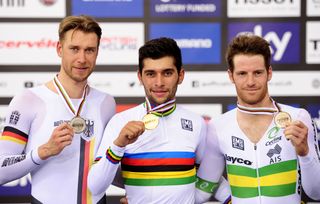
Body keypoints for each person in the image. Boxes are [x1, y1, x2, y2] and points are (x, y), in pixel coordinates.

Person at [88, 37, 231, 203]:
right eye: (150, 74)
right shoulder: (120, 122)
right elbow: (95, 187)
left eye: (167, 73)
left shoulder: (196, 123)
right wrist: (118, 146)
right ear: (140, 77)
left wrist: (231, 199)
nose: (159, 82)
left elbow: (209, 178)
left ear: (181, 75)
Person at [0, 15, 116, 204]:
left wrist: (137, 191)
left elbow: (107, 166)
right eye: (74, 49)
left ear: (97, 53)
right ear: (59, 49)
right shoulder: (29, 100)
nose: (82, 58)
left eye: (89, 50)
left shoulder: (106, 103)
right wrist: (43, 151)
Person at [195, 34, 320, 204]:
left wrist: (304, 153)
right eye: (242, 73)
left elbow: (316, 193)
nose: (250, 81)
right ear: (231, 75)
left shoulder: (298, 118)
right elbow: (205, 187)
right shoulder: (219, 127)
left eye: (258, 73)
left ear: (269, 73)